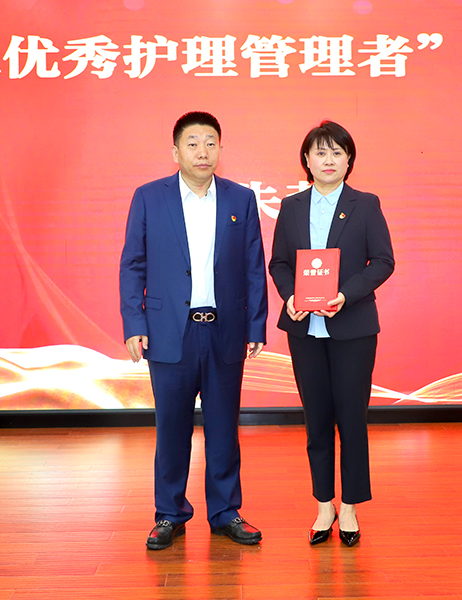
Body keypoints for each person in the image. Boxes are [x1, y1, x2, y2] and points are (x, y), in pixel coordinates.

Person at [119, 111, 268, 550]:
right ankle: (169, 514)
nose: (203, 151)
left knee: (223, 428)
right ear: (176, 151)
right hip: (169, 331)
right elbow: (133, 265)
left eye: (210, 143)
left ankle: (225, 512)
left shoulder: (241, 199)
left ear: (220, 149)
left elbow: (253, 266)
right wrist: (134, 323)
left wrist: (256, 323)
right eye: (193, 143)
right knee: (172, 428)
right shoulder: (149, 197)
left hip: (224, 329)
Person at [268, 120, 394, 546]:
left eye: (337, 152)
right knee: (316, 421)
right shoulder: (291, 207)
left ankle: (351, 508)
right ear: (306, 160)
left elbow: (382, 261)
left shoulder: (366, 204)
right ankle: (325, 506)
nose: (328, 160)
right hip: (304, 331)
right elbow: (279, 263)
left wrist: (345, 295)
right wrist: (289, 295)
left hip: (353, 330)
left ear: (349, 160)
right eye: (320, 152)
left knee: (352, 421)